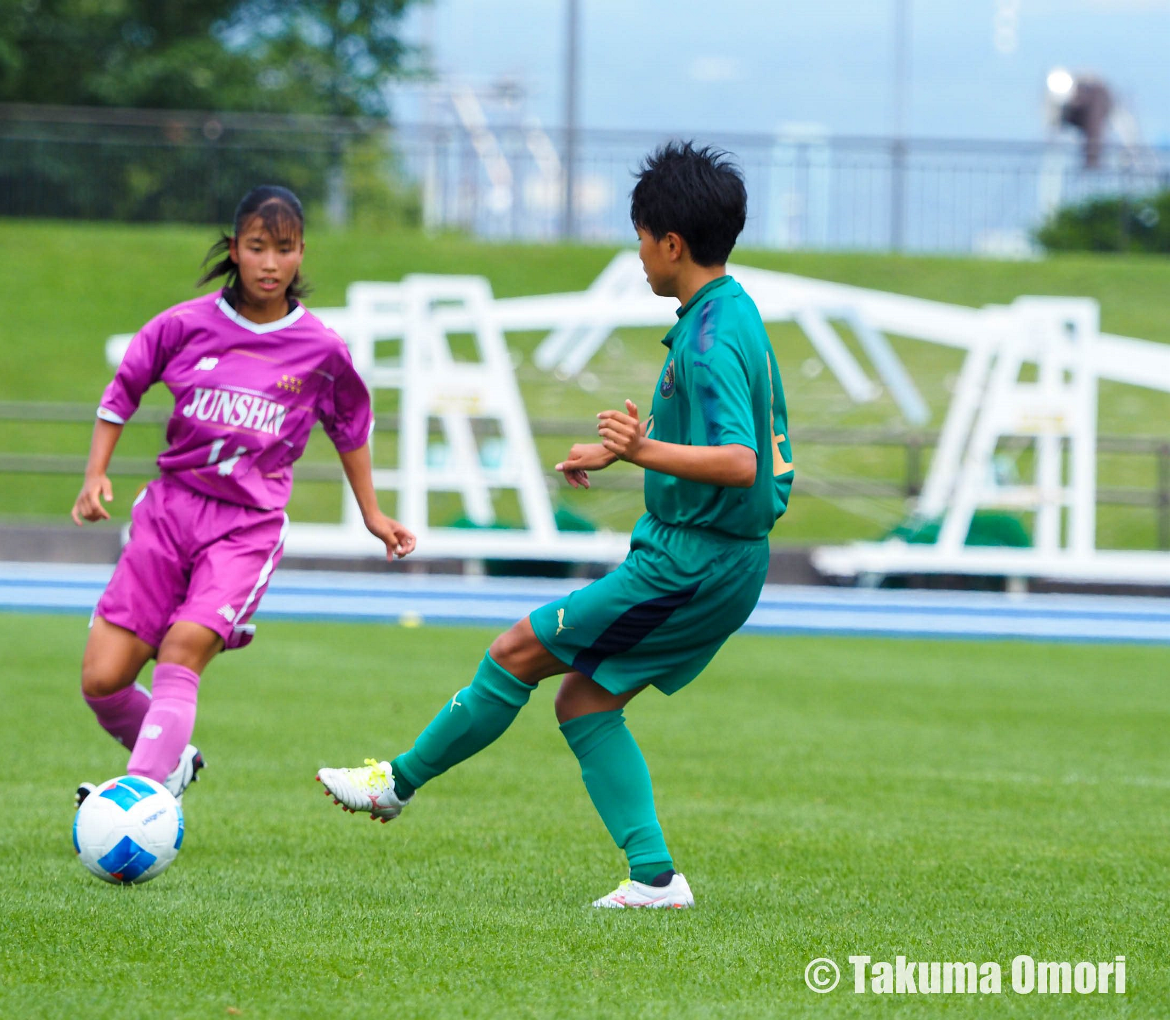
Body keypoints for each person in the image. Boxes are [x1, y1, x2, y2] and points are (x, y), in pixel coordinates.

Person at [318, 142, 793, 909]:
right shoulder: (729, 312)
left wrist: (640, 451)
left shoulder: (707, 340)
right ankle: (653, 878)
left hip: (694, 560)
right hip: (709, 554)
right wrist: (618, 458)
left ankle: (394, 783)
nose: (638, 254)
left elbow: (741, 461)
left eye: (640, 237)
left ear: (671, 243)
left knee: (514, 652)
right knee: (582, 701)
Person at [73, 184, 415, 806]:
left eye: (283, 249)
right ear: (234, 249)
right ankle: (171, 762)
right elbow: (123, 389)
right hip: (169, 513)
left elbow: (350, 428)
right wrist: (96, 473)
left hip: (245, 528)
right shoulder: (183, 325)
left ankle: (138, 802)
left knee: (181, 649)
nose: (269, 263)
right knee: (102, 680)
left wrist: (373, 513)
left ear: (301, 254)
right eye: (257, 247)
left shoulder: (322, 350)